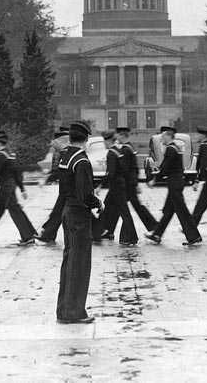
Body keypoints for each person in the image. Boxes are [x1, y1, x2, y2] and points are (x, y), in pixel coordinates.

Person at [56, 121, 103, 324]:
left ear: (70, 138)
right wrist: (98, 203)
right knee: (80, 264)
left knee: (69, 262)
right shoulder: (82, 161)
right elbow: (85, 195)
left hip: (67, 211)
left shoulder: (65, 157)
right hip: (79, 215)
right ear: (86, 138)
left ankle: (64, 309)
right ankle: (74, 312)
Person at [145, 126, 202, 246]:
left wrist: (155, 179)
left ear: (169, 136)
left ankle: (194, 236)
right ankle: (157, 235)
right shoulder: (175, 148)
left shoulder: (171, 149)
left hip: (175, 183)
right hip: (176, 182)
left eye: (164, 136)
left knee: (182, 211)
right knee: (169, 211)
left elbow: (166, 167)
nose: (162, 138)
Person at [92, 130, 137, 245]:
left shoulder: (111, 153)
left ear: (108, 141)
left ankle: (131, 237)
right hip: (118, 184)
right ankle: (100, 232)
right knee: (105, 209)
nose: (104, 144)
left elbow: (111, 173)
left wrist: (100, 186)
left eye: (104, 141)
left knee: (124, 212)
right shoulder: (118, 151)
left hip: (116, 186)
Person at [117, 127, 158, 232]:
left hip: (127, 183)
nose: (117, 137)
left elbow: (125, 168)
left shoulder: (125, 149)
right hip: (131, 181)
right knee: (125, 205)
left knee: (127, 205)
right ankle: (152, 224)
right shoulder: (131, 147)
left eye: (118, 135)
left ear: (122, 136)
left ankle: (152, 224)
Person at [36, 129, 70, 243]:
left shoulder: (65, 153)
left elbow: (59, 172)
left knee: (60, 211)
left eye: (55, 142)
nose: (53, 144)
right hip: (67, 188)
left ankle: (48, 234)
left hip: (69, 188)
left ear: (60, 141)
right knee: (58, 211)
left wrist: (47, 179)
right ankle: (48, 233)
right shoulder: (64, 152)